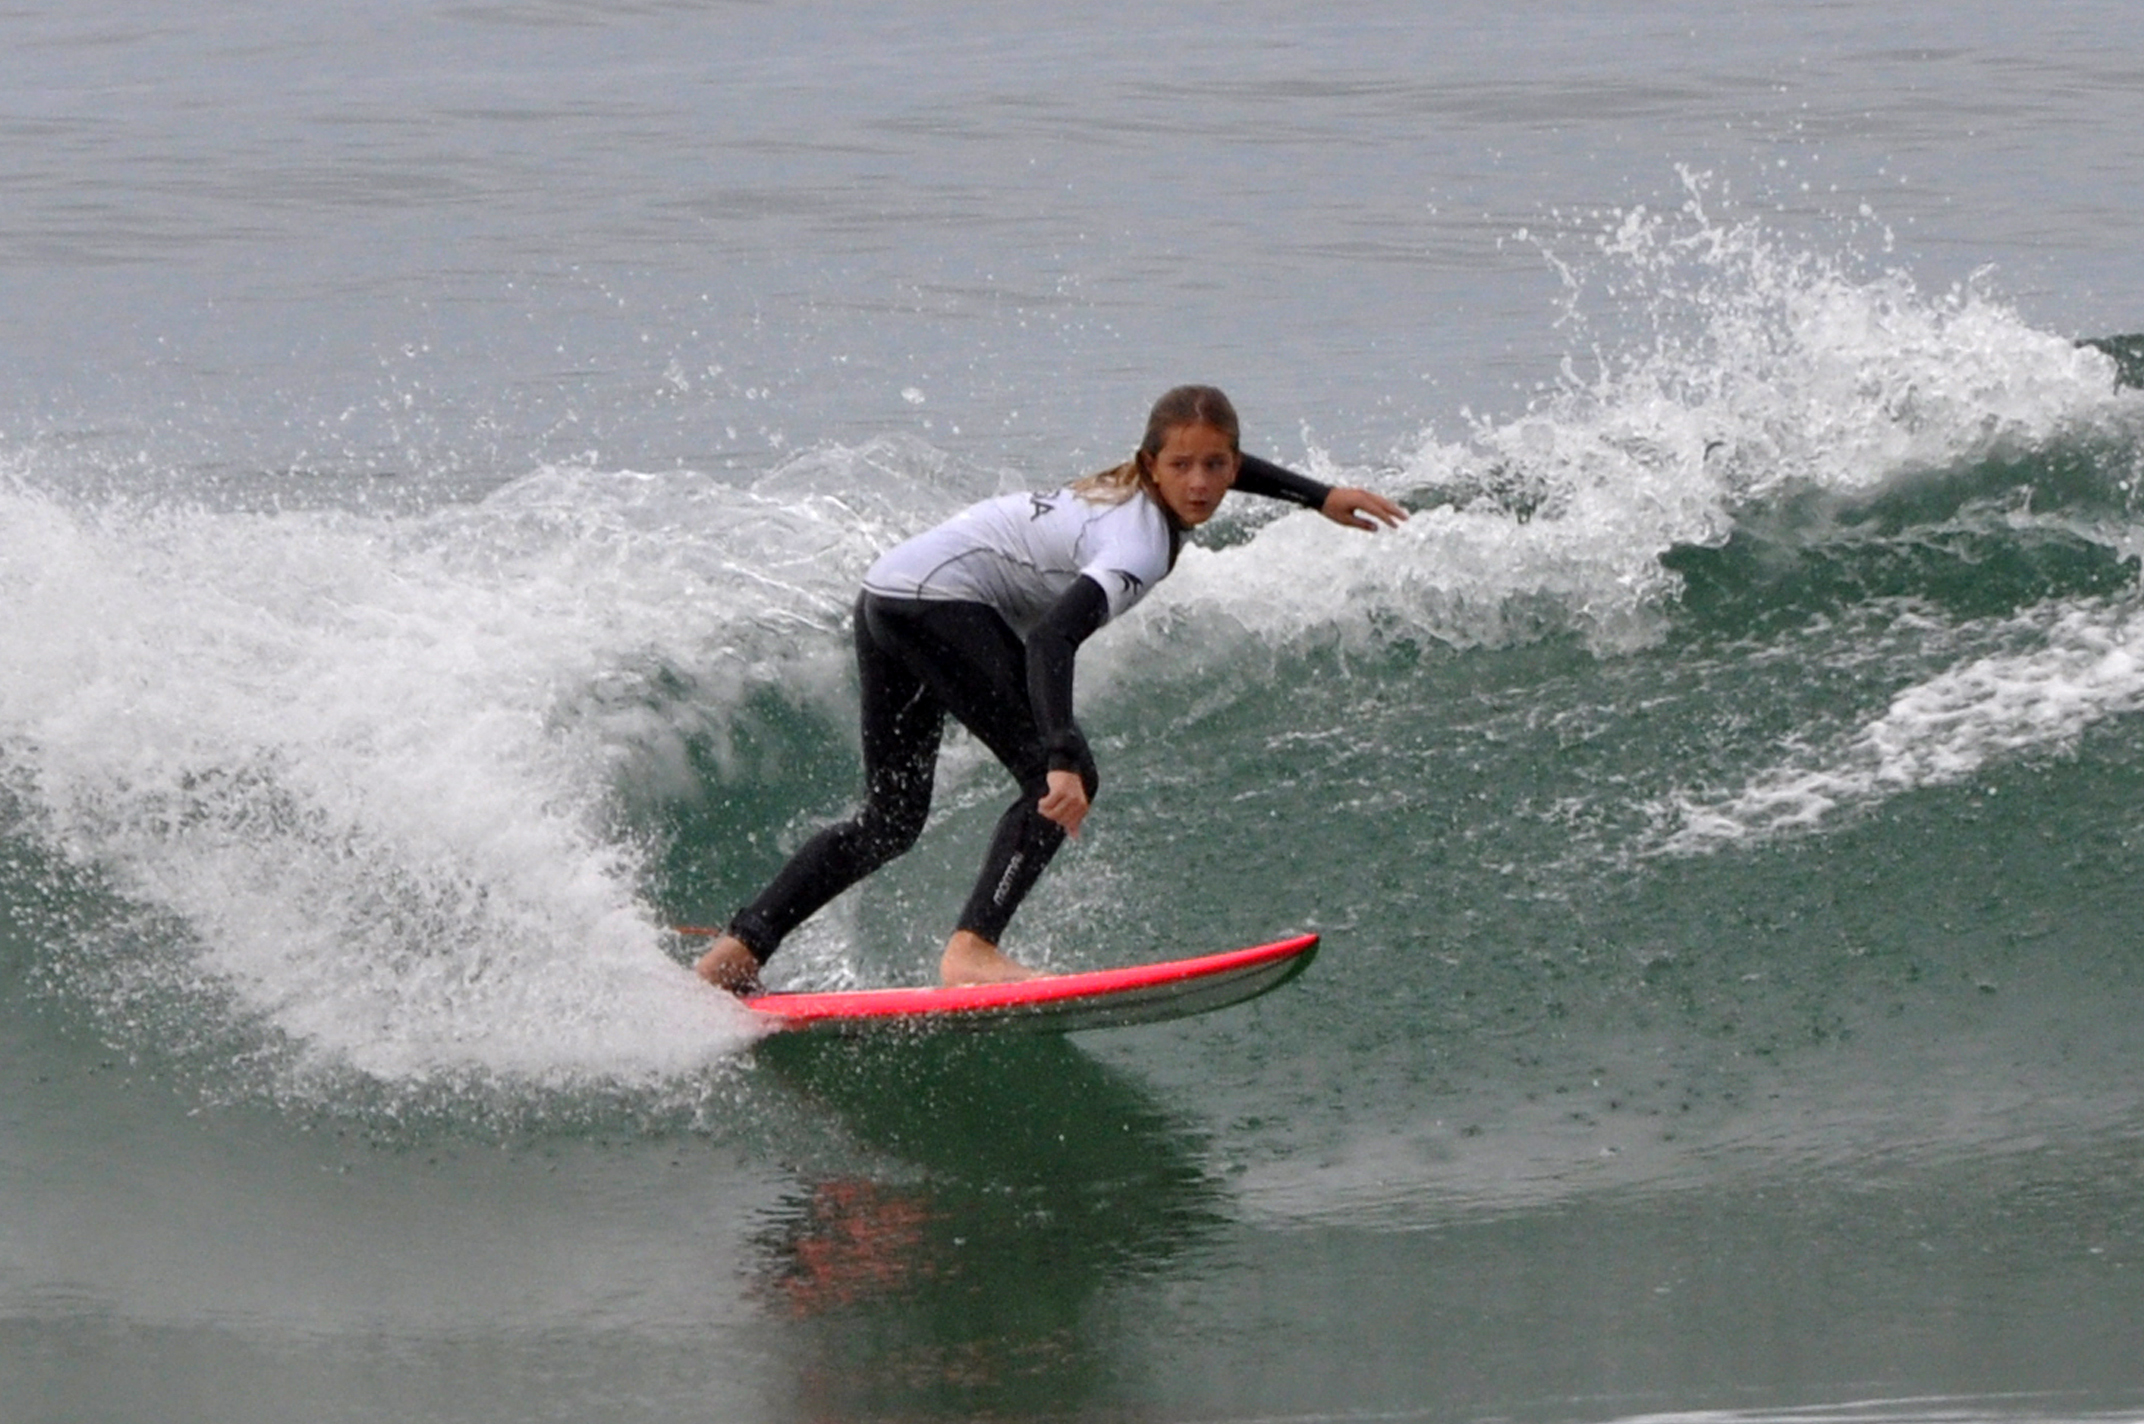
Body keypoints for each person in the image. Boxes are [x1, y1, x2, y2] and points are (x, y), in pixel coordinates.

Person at [694, 384, 1405, 994]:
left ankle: (738, 951)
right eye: (1181, 466)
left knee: (890, 819)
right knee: (1060, 779)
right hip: (937, 604)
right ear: (1150, 466)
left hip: (888, 593)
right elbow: (1051, 641)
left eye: (1215, 466)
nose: (1200, 483)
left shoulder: (1135, 487)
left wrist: (1319, 497)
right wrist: (1060, 756)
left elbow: (1213, 462)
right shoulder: (1138, 544)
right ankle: (973, 949)